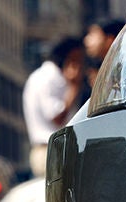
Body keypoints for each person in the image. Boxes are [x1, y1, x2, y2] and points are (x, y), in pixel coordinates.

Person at [22, 36, 84, 180]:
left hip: (51, 151)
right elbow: (56, 116)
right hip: (51, 153)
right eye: (78, 59)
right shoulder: (49, 78)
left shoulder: (43, 76)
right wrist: (74, 88)